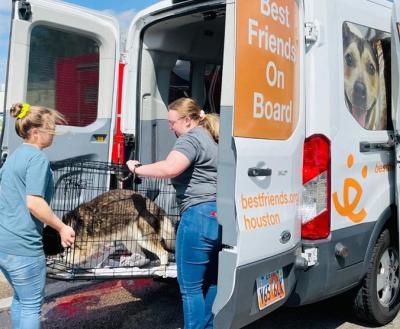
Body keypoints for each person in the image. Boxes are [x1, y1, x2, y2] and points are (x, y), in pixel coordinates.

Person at [127, 97, 221, 329]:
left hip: (197, 217)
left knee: (190, 287)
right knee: (211, 281)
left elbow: (170, 168)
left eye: (173, 122)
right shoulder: (210, 137)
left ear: (188, 120)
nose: (170, 127)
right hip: (217, 215)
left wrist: (137, 168)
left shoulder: (190, 138)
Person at [0, 103, 75, 329]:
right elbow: (34, 203)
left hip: (4, 242)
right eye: (50, 129)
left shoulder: (14, 157)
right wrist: (61, 227)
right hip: (24, 246)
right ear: (35, 132)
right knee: (32, 304)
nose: (53, 134)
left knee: (21, 299)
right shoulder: (37, 159)